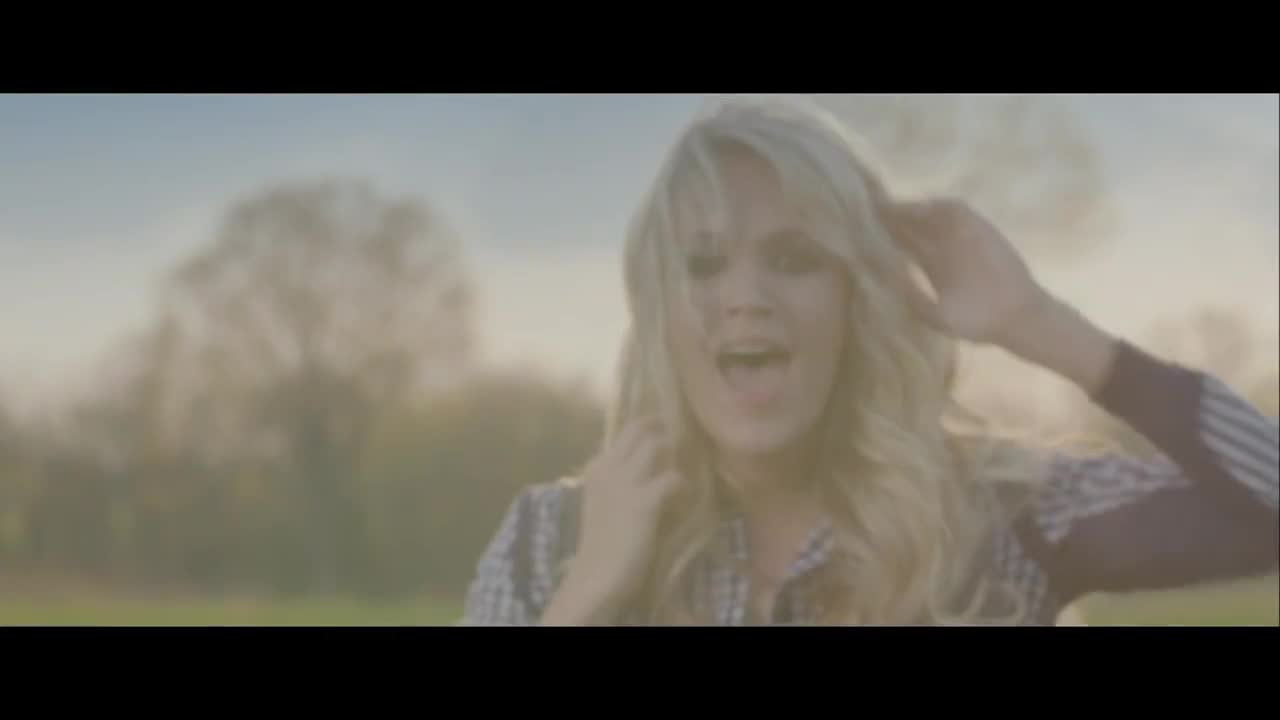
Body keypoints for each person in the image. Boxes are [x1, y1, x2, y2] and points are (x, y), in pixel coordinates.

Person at [460, 97, 1279, 626]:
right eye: (704, 266)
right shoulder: (549, 541)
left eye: (794, 259)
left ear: (858, 301)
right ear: (657, 313)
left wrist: (1040, 324)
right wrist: (585, 595)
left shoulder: (1005, 514)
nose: (746, 299)